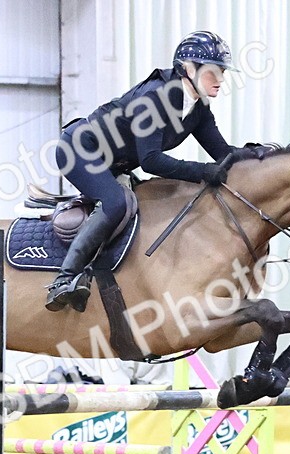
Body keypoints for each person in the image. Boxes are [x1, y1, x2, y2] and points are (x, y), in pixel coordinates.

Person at [45, 30, 240, 312]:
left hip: (114, 162)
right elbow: (150, 161)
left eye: (222, 71)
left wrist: (262, 156)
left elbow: (223, 154)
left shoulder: (197, 107)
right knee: (116, 202)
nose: (221, 79)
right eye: (213, 71)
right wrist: (202, 171)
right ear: (188, 69)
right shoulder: (155, 98)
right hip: (79, 149)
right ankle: (63, 280)